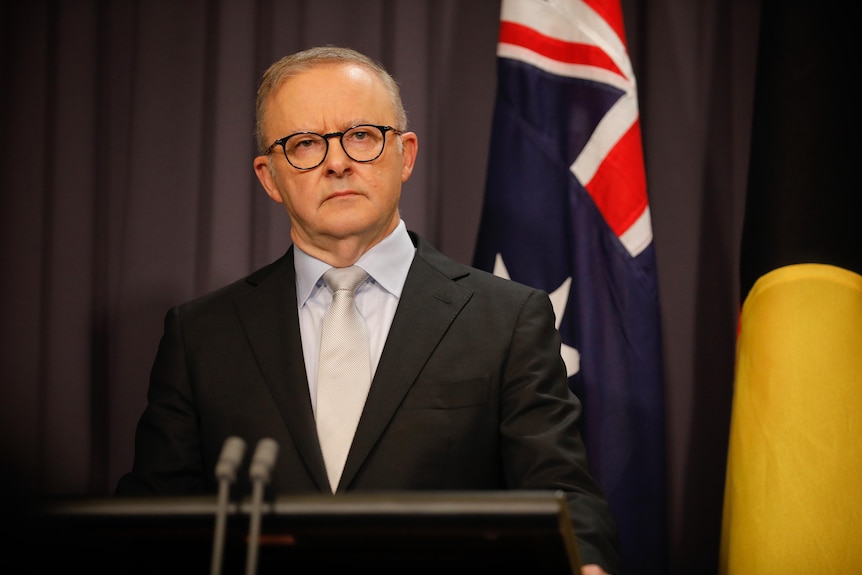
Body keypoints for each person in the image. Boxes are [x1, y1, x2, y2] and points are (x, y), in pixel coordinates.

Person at [116, 45, 618, 574]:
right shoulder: (202, 337)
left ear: (406, 154)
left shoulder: (507, 320)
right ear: (269, 177)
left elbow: (562, 493)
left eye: (360, 136)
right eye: (305, 143)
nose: (337, 162)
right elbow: (153, 521)